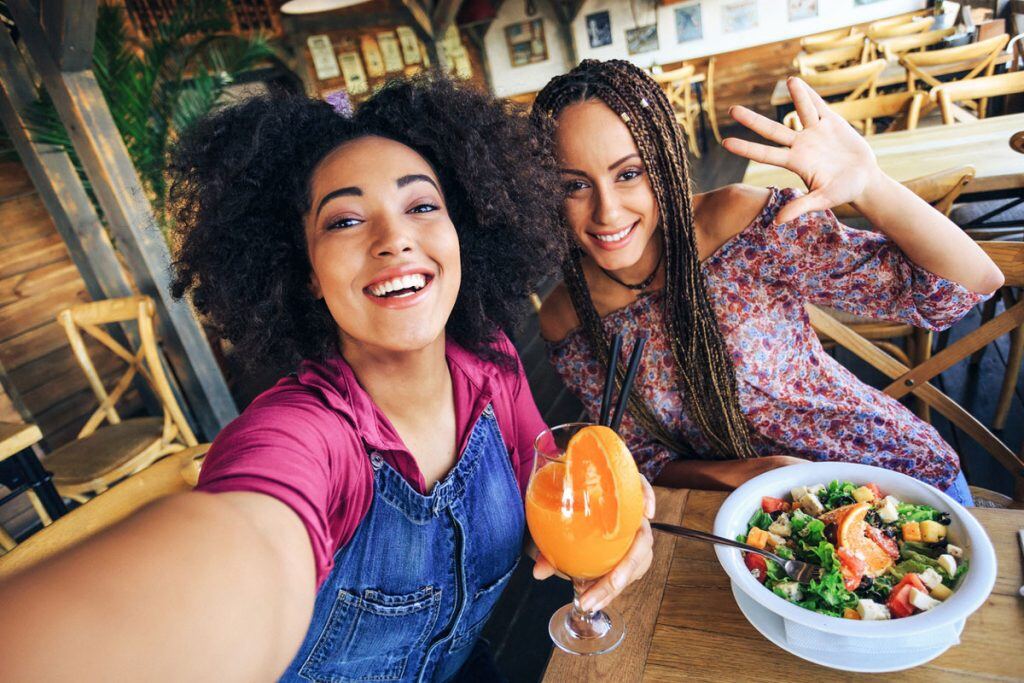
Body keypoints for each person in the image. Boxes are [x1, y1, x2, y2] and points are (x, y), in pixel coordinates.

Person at [0, 78, 655, 682]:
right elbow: (247, 542)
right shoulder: (302, 433)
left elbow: (557, 482)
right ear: (306, 270)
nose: (393, 237)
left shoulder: (493, 364)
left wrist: (620, 511)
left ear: (464, 229)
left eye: (422, 204)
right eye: (344, 220)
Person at [532, 59, 1002, 505]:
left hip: (893, 480)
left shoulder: (741, 223)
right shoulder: (566, 317)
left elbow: (963, 288)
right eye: (575, 185)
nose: (607, 211)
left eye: (629, 174)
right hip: (755, 523)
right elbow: (641, 457)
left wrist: (869, 185)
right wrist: (744, 473)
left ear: (663, 164)